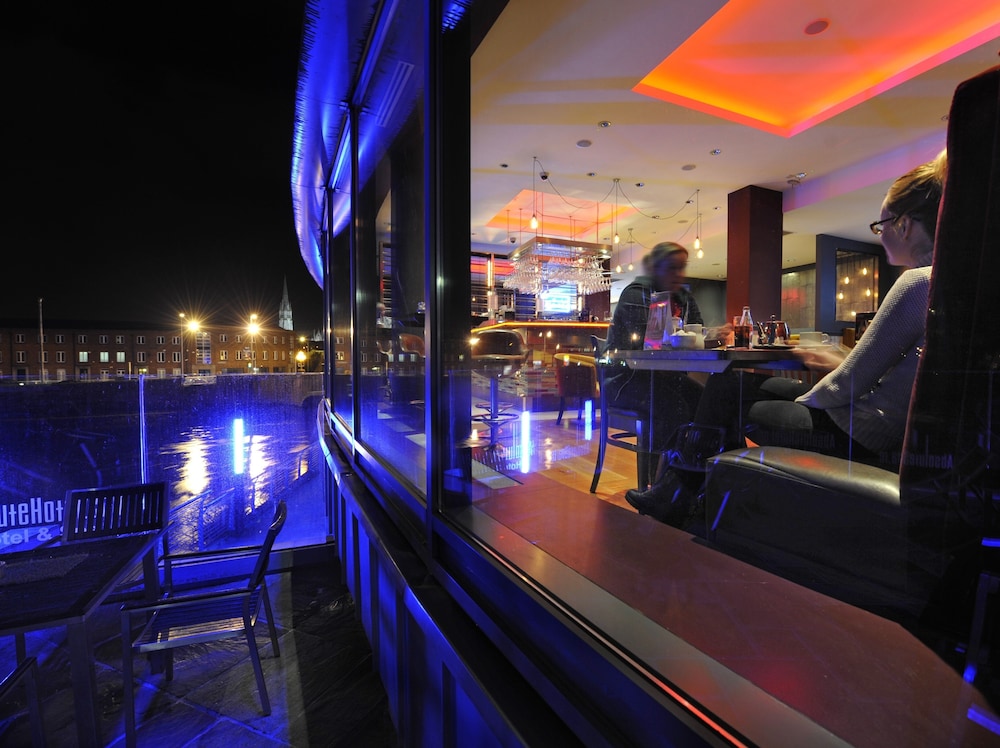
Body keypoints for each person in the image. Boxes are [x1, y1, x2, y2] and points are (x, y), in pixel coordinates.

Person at [626, 151, 948, 527]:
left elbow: (847, 384)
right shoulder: (943, 283)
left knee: (726, 394)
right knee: (729, 382)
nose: (880, 232)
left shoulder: (916, 283)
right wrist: (828, 371)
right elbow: (880, 375)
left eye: (881, 224)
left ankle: (687, 495)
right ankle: (699, 496)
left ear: (905, 225)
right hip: (874, 424)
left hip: (857, 433)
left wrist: (804, 399)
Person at [601, 242, 706, 476]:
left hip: (665, 378)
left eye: (682, 267)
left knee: (705, 402)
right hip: (625, 380)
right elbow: (647, 344)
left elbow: (698, 332)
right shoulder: (636, 294)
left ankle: (693, 474)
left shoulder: (685, 298)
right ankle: (659, 480)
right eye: (672, 268)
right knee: (675, 408)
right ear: (656, 269)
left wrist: (713, 334)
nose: (679, 274)